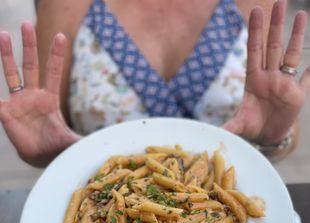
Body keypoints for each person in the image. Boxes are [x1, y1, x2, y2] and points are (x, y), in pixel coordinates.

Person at [0, 0, 309, 167]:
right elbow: (50, 129)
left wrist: (273, 138)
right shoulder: (66, 5)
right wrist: (44, 152)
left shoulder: (253, 4)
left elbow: (280, 140)